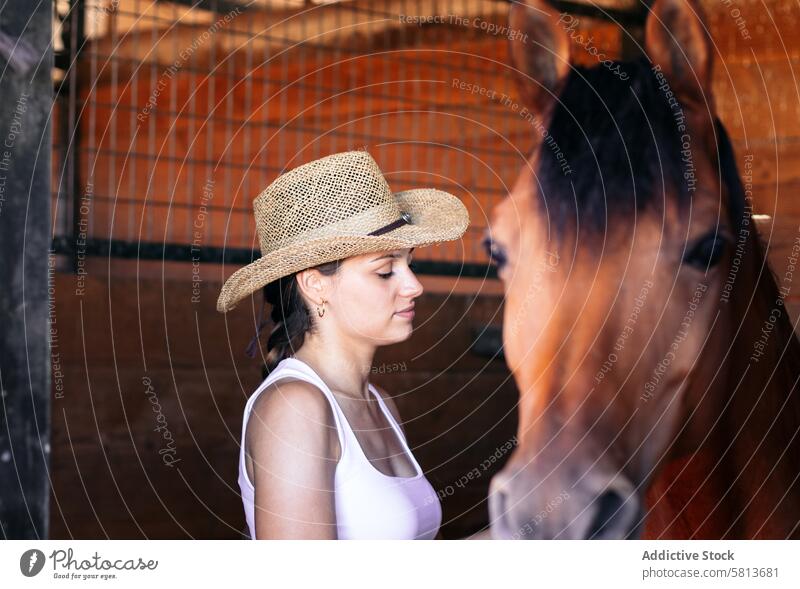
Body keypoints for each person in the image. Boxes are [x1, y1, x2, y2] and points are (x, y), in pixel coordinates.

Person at [216, 150, 470, 539]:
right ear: (315, 284)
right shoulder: (295, 408)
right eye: (385, 271)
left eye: (409, 264)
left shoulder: (380, 403)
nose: (413, 286)